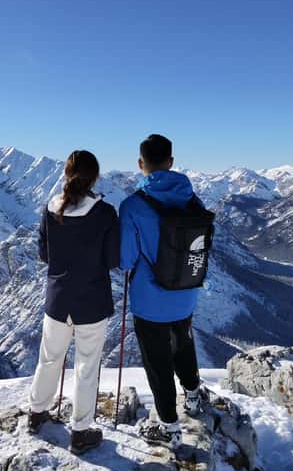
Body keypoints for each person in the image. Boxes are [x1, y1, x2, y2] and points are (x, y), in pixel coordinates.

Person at [119, 134, 209, 449]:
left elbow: (126, 259)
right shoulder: (192, 199)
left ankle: (169, 427)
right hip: (186, 290)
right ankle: (194, 396)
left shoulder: (133, 206)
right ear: (171, 162)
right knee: (183, 343)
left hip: (150, 298)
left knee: (157, 361)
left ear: (140, 163)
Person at [28, 150, 120, 454]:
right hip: (91, 301)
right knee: (86, 366)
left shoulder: (51, 208)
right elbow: (113, 259)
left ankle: (36, 413)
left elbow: (44, 254)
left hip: (57, 299)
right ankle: (80, 432)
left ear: (67, 174)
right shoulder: (104, 213)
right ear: (95, 177)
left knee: (49, 358)